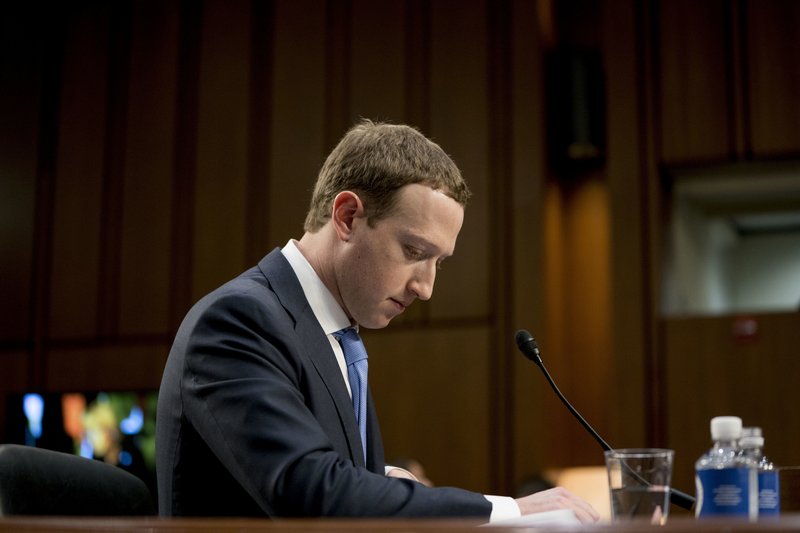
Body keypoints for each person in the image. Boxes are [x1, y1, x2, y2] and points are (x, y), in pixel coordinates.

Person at [156, 120, 599, 523]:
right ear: (347, 216)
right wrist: (508, 510)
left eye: (438, 263)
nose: (425, 288)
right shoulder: (238, 320)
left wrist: (383, 479)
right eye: (414, 252)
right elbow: (310, 492)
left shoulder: (336, 334)